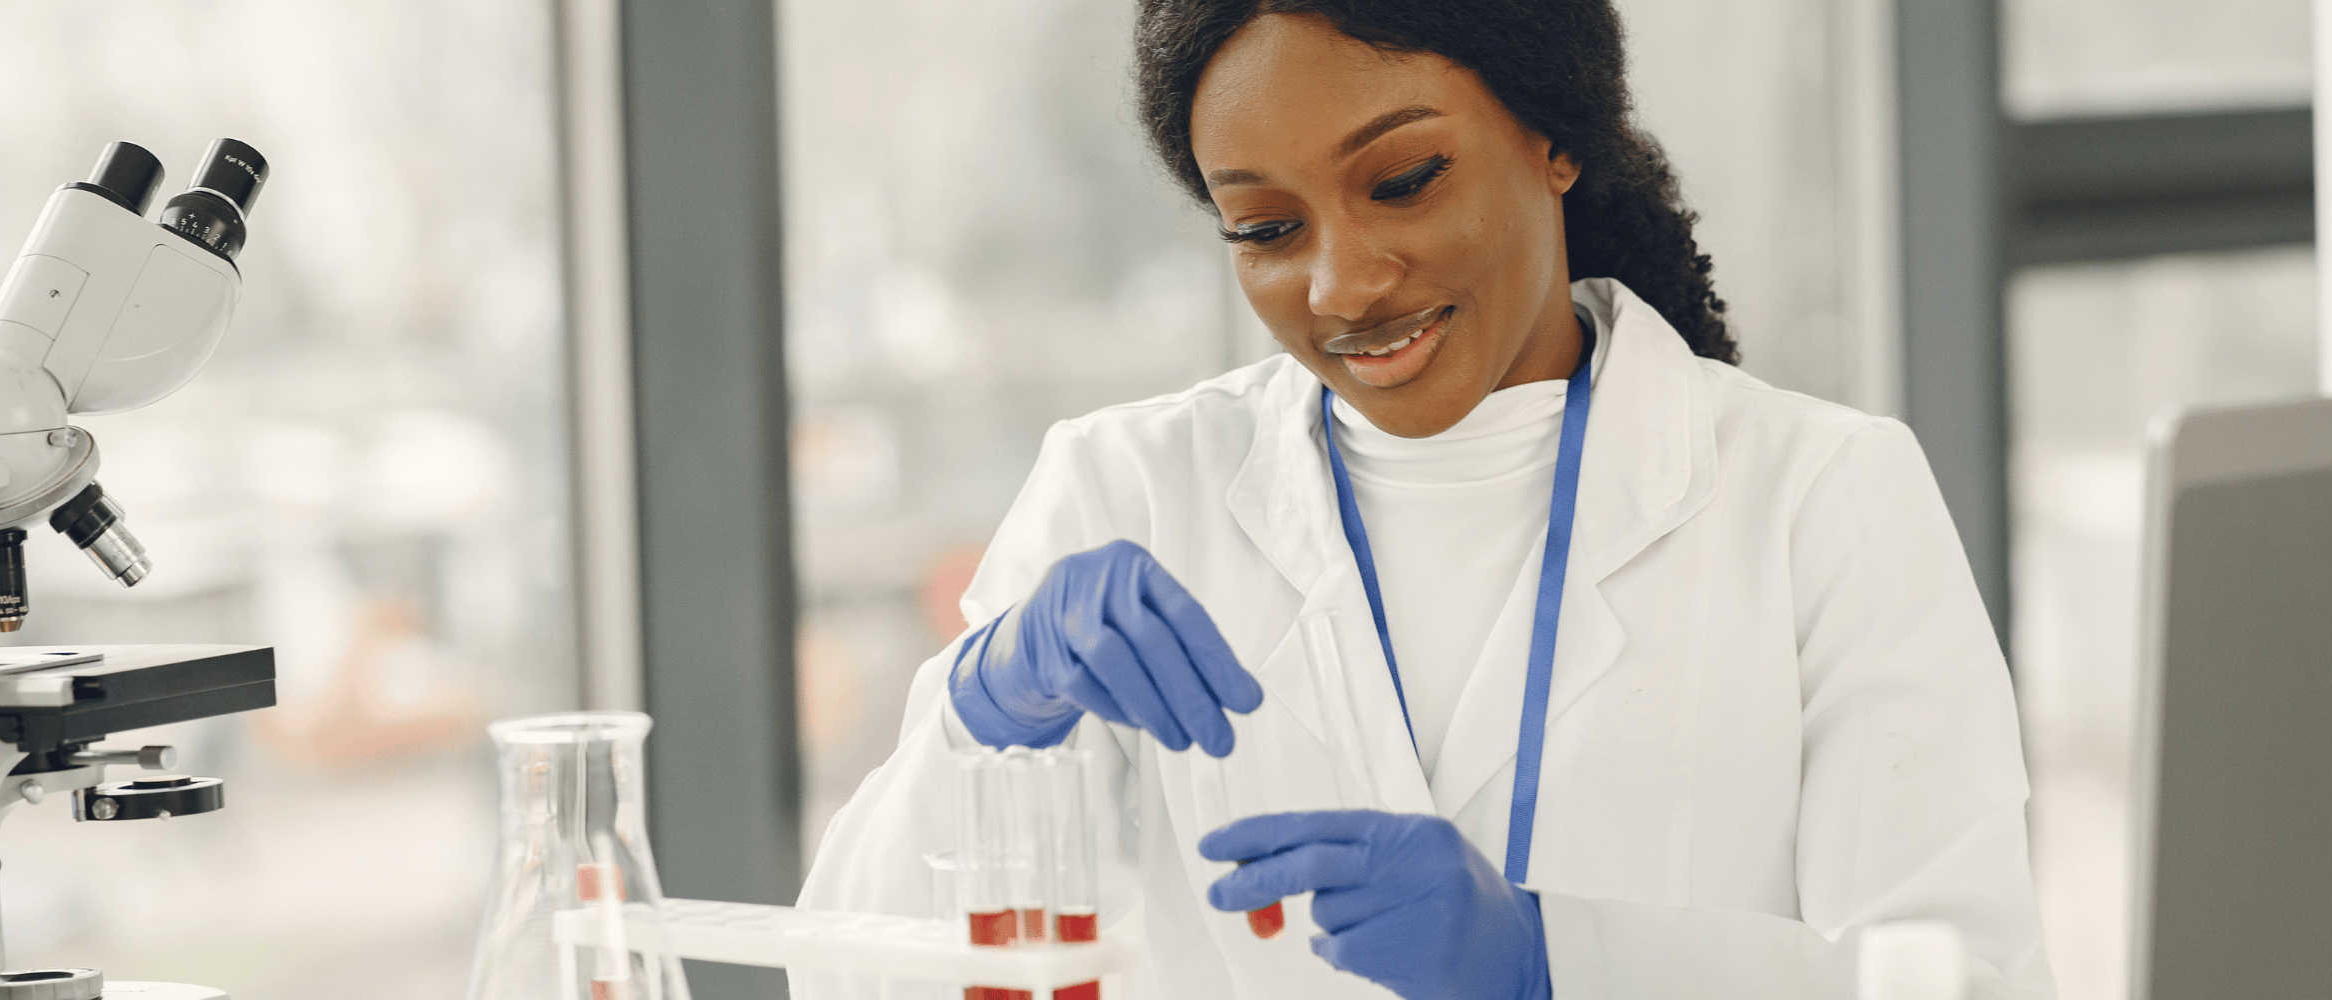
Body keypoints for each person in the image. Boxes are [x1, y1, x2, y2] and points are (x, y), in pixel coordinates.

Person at [799, 1, 2053, 997]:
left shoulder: (1819, 495)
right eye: (1266, 228)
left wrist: (1556, 961)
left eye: (1402, 181)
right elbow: (852, 971)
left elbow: (1964, 981)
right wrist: (984, 710)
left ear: (1556, 134)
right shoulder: (1126, 490)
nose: (1343, 286)